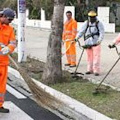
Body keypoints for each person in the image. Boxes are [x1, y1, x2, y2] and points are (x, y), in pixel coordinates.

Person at [75, 10, 104, 76]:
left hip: (96, 43)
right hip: (88, 42)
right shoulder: (86, 23)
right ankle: (89, 69)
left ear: (95, 16)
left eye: (93, 17)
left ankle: (96, 70)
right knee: (89, 57)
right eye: (90, 17)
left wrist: (99, 40)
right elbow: (81, 31)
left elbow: (102, 33)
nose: (91, 18)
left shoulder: (99, 23)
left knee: (96, 57)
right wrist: (77, 38)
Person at [0, 8, 16, 113]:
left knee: (1, 86)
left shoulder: (10, 29)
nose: (10, 22)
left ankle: (0, 105)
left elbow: (13, 43)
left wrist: (8, 49)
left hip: (3, 63)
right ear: (4, 16)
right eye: (9, 20)